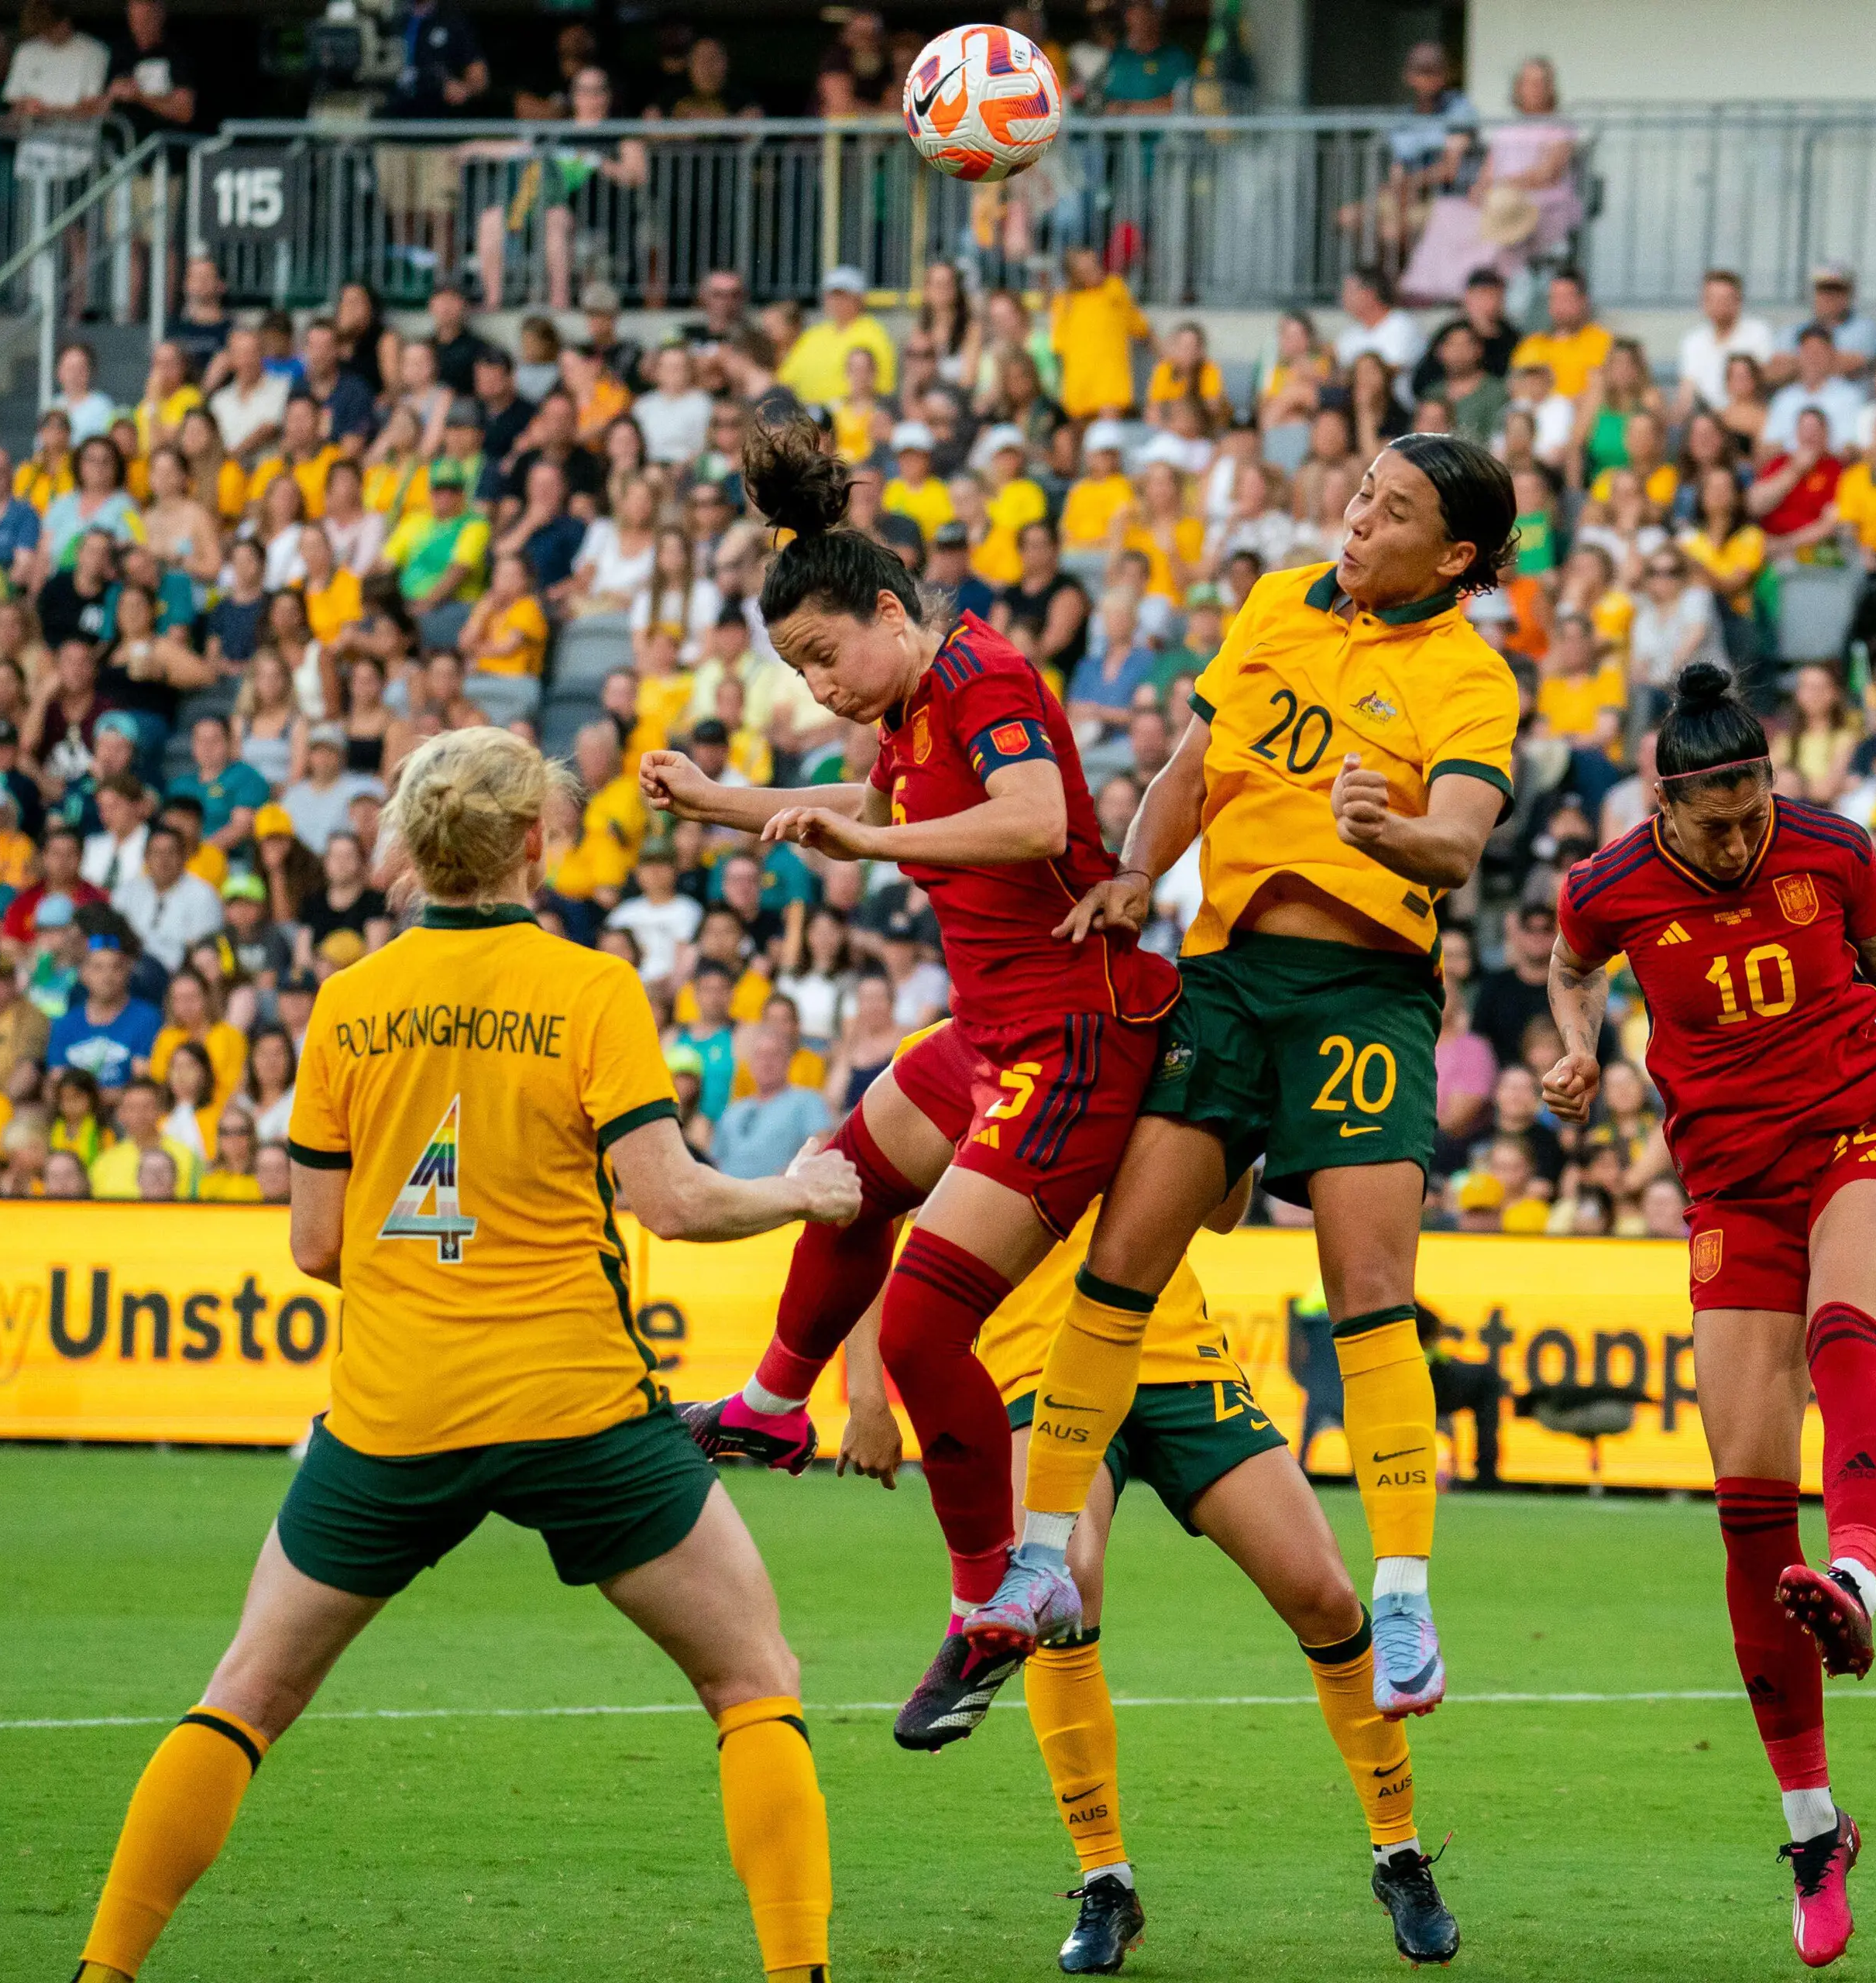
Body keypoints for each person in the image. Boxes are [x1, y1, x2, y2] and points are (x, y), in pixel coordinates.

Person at [61, 727, 857, 1983]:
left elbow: (317, 1247)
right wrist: (805, 1191)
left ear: (412, 850)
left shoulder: (347, 1003)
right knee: (754, 1677)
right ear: (536, 841)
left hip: (392, 1415)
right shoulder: (588, 990)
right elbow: (677, 1206)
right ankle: (798, 1974)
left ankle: (100, 1972)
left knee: (243, 1697)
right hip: (576, 1406)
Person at [641, 408, 1180, 1747]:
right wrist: (718, 803)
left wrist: (865, 844)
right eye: (800, 669)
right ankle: (772, 1406)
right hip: (993, 1031)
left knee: (930, 1328)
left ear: (890, 610)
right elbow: (863, 821)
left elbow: (1039, 822)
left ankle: (991, 1593)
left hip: (1075, 1036)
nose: (822, 686)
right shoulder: (906, 707)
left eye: (827, 655)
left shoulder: (983, 678)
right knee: (844, 1175)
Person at [981, 432, 1523, 1730]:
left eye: (1392, 514)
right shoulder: (1280, 604)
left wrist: (1396, 833)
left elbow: (1461, 837)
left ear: (1452, 555)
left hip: (1360, 996)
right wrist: (1135, 873)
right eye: (1361, 497)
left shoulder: (1469, 674)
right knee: (1122, 1269)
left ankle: (1400, 1591)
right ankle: (1040, 1555)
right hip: (1221, 984)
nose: (1357, 522)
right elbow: (1192, 773)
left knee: (1372, 1291)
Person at [1541, 662, 1876, 1968]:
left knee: (1841, 1329)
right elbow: (1571, 972)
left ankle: (1855, 1576)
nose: (1741, 842)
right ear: (1663, 803)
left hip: (1869, 1122)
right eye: (1716, 823)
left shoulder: (1835, 853)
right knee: (1746, 1506)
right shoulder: (1608, 884)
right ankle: (1813, 1827)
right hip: (1729, 1176)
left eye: (1755, 814)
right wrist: (1575, 1045)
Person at [840, 1150, 1459, 1969]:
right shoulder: (952, 1061)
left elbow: (1226, 1211)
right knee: (1068, 1580)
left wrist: (1233, 1119)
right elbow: (861, 1216)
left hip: (1179, 1363)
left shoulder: (1159, 1044)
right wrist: (864, 1392)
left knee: (1323, 1589)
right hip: (1034, 1371)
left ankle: (1400, 1855)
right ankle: (1106, 1880)